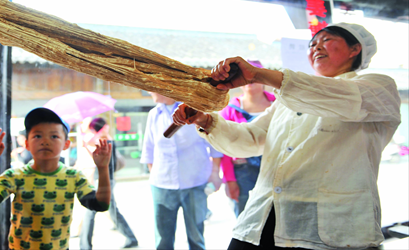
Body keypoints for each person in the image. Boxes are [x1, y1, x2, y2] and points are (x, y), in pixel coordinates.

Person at [172, 23, 401, 250]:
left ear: (355, 49)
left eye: (326, 40)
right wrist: (205, 120)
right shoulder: (287, 99)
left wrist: (258, 75)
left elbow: (336, 97)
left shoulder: (377, 88)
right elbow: (252, 138)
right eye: (312, 44)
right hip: (262, 216)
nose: (316, 48)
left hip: (327, 226)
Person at [0, 107, 111, 250]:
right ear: (27, 144)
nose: (45, 141)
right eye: (37, 136)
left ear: (66, 144)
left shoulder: (74, 177)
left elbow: (100, 205)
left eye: (54, 136)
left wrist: (103, 168)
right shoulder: (15, 176)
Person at [141, 92, 223, 250]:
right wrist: (155, 176)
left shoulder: (192, 110)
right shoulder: (153, 114)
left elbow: (214, 145)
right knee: (163, 240)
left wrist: (215, 173)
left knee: (196, 237)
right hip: (162, 185)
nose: (149, 92)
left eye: (152, 88)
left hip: (195, 183)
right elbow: (148, 149)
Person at [219, 60, 275, 217]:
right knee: (245, 217)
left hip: (275, 169)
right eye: (243, 75)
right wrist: (229, 180)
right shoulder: (229, 110)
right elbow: (224, 147)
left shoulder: (279, 104)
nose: (249, 79)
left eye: (254, 74)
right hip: (243, 173)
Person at [79, 117, 139, 249]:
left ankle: (85, 245)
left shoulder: (102, 136)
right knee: (107, 211)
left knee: (95, 211)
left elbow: (92, 145)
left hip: (104, 179)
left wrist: (89, 136)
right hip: (105, 177)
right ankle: (85, 245)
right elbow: (98, 156)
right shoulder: (104, 136)